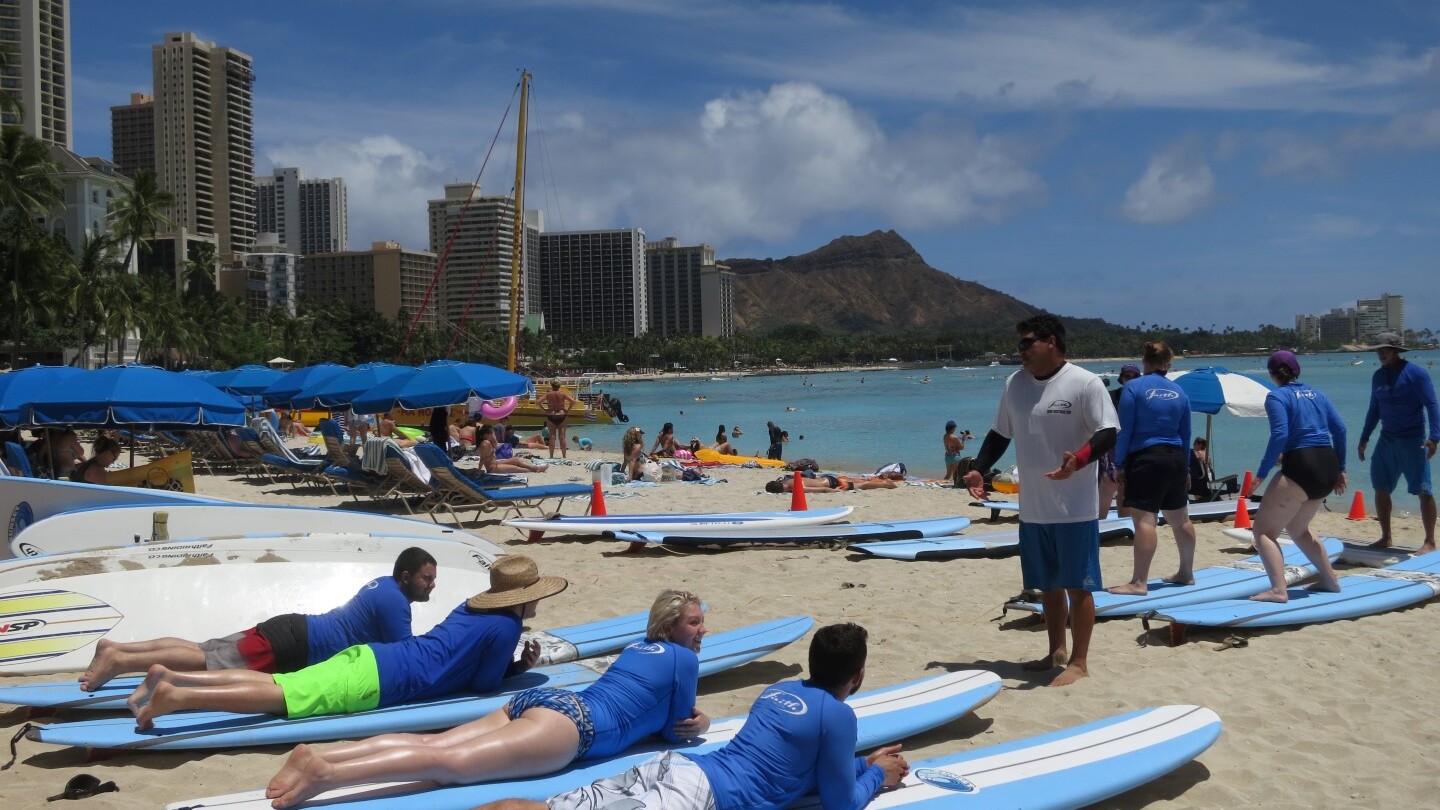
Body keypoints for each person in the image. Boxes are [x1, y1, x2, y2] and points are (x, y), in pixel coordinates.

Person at [264, 589, 709, 809]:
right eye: (693, 623)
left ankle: (322, 754)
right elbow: (675, 729)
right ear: (670, 626)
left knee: (433, 745)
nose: (701, 630)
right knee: (448, 767)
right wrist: (703, 723)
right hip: (576, 727)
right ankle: (325, 775)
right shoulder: (683, 660)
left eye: (701, 623)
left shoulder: (636, 648)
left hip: (546, 702)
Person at [478, 622, 907, 810]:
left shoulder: (778, 691)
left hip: (676, 768)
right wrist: (877, 777)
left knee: (544, 808)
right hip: (699, 798)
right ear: (859, 675)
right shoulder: (837, 716)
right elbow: (839, 803)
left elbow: (795, 768)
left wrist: (862, 763)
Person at [126, 555, 565, 733]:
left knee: (282, 682)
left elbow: (458, 657)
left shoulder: (473, 608)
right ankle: (176, 696)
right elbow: (485, 684)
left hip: (373, 657)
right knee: (281, 697)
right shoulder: (506, 627)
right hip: (379, 679)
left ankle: (174, 675)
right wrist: (516, 669)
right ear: (527, 597)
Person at [962, 315, 1118, 687]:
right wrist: (978, 469)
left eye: (1026, 343)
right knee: (1048, 584)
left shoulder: (1084, 382)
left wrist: (1078, 459)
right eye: (1018, 344)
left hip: (1074, 507)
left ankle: (1079, 663)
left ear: (1051, 341)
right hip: (1032, 507)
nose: (1020, 352)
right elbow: (1001, 433)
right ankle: (1055, 652)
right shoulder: (1014, 383)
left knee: (1078, 586)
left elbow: (1108, 432)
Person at [80, 548, 439, 692]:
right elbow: (404, 656)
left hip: (293, 630)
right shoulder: (395, 601)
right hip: (294, 645)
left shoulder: (383, 586)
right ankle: (121, 661)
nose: (432, 585)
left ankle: (119, 649)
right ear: (406, 575)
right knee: (206, 660)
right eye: (426, 578)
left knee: (205, 649)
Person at [1250, 350, 1347, 602]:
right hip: (1327, 464)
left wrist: (1261, 472)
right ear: (1297, 371)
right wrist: (1342, 468)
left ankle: (1278, 590)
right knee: (1298, 528)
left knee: (1263, 531)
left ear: (1273, 374)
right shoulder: (1318, 393)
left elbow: (1280, 434)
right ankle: (1330, 580)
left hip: (1302, 466)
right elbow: (1340, 429)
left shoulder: (1276, 397)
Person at [1107, 343, 1197, 595]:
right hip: (1176, 457)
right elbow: (1186, 432)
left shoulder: (1133, 388)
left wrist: (1119, 464)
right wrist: (1187, 467)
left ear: (1144, 361)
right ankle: (1186, 573)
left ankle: (1138, 582)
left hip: (1147, 458)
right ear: (1167, 364)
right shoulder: (1180, 391)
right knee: (1181, 519)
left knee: (1145, 521)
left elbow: (1125, 429)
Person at [1357, 332, 1439, 555]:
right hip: (1387, 439)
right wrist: (1364, 438)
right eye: (1378, 350)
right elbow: (1374, 409)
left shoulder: (1415, 374)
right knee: (1380, 487)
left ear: (1396, 351)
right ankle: (1386, 537)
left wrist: (1434, 438)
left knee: (1423, 490)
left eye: (1385, 350)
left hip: (1413, 440)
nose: (1381, 353)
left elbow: (1432, 405)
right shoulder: (1378, 377)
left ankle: (1430, 541)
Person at [1097, 363, 1140, 519]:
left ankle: (1125, 523)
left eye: (1134, 377)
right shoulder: (1110, 396)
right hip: (1112, 445)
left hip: (1131, 446)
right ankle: (1100, 522)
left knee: (1125, 486)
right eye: (1127, 376)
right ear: (1121, 378)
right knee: (1109, 482)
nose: (1130, 380)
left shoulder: (1140, 399)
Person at [479, 425, 549, 474]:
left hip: (496, 464)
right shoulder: (485, 443)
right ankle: (535, 469)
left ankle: (535, 467)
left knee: (516, 460)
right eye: (492, 433)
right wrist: (479, 470)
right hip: (492, 468)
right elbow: (482, 458)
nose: (493, 435)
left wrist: (493, 438)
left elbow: (495, 445)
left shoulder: (488, 442)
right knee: (516, 468)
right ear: (486, 434)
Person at [541, 380, 579, 459]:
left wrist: (544, 410)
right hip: (562, 415)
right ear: (559, 386)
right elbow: (573, 402)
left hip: (551, 414)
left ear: (552, 386)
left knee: (552, 436)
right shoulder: (563, 394)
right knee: (562, 436)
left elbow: (538, 402)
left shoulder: (548, 394)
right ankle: (564, 456)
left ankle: (551, 456)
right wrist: (568, 410)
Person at [764, 474, 897, 493]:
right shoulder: (789, 480)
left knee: (860, 486)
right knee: (859, 481)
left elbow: (821, 490)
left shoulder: (796, 488)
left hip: (831, 484)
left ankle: (886, 485)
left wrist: (835, 491)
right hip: (827, 477)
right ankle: (882, 480)